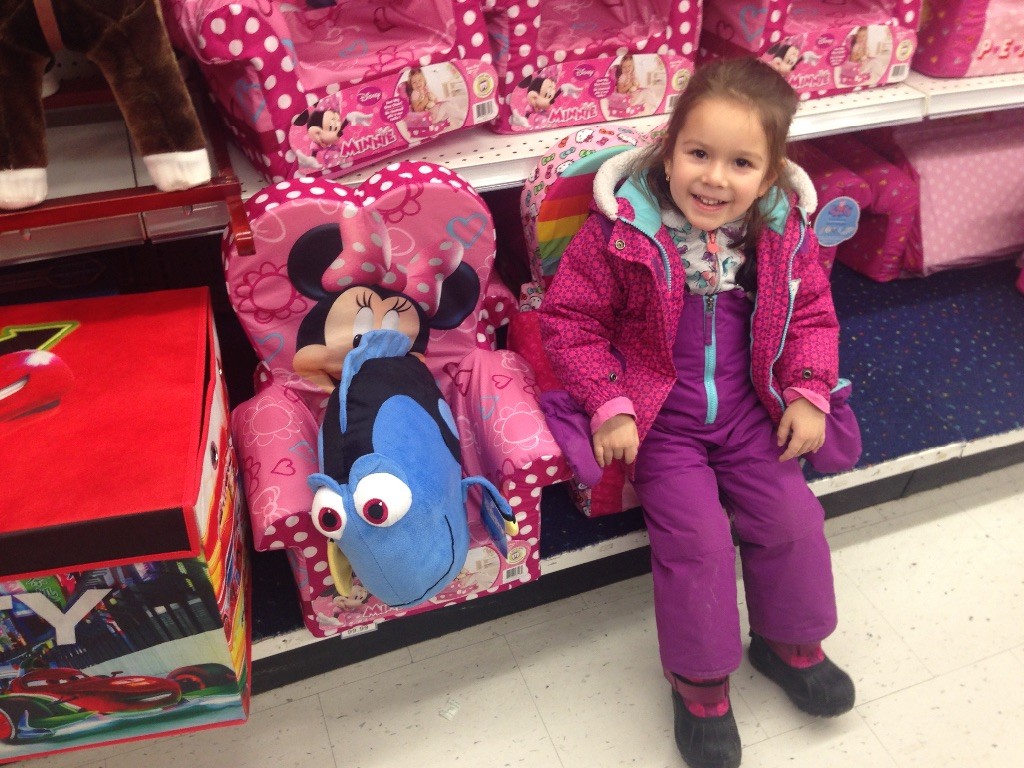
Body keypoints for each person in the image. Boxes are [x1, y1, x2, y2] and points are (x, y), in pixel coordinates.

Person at [539, 57, 855, 768]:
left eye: (741, 163)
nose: (714, 178)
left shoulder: (783, 234)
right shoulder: (621, 231)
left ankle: (789, 643)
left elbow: (812, 315)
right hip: (662, 421)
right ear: (669, 149)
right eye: (699, 153)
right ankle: (701, 684)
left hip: (752, 412)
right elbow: (571, 321)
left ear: (769, 176)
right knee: (698, 542)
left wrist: (808, 391)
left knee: (793, 519)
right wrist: (610, 402)